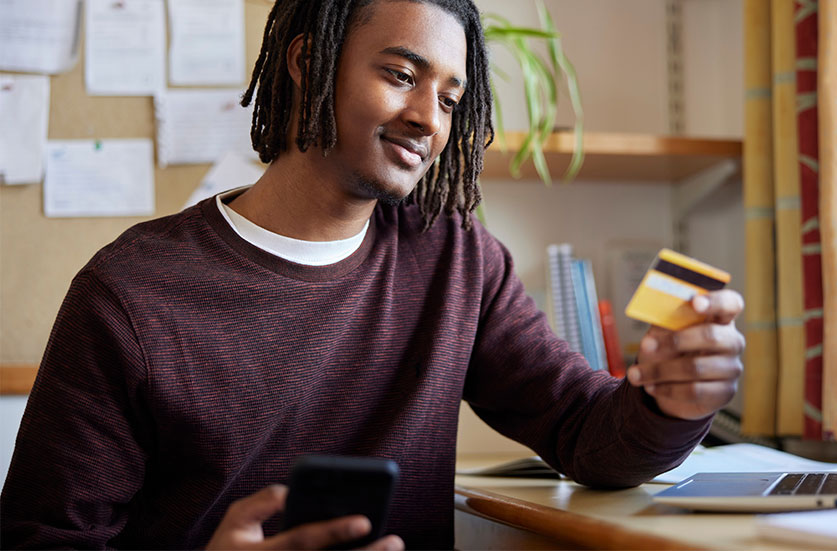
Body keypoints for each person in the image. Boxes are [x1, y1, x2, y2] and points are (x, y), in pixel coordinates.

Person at [0, 0, 745, 549]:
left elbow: (588, 434)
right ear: (305, 62)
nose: (429, 118)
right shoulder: (131, 292)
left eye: (451, 98)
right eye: (400, 75)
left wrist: (671, 402)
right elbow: (43, 540)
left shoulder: (456, 260)